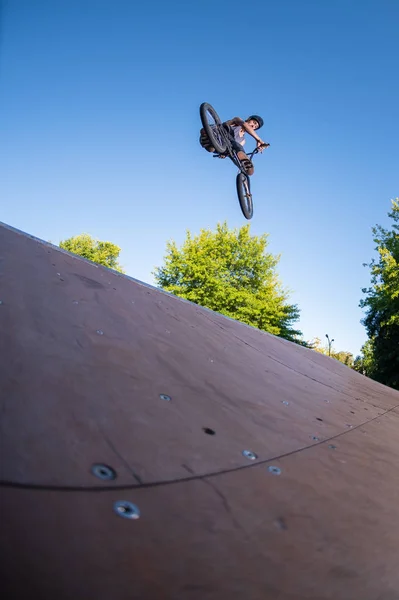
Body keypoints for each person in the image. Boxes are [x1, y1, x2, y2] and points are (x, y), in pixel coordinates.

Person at [199, 114, 269, 175]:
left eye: (255, 127)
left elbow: (233, 152)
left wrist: (225, 154)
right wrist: (259, 140)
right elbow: (245, 125)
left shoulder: (243, 140)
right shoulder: (237, 121)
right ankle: (207, 136)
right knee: (228, 134)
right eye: (253, 122)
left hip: (221, 145)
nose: (253, 126)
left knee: (236, 146)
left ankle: (246, 163)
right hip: (217, 133)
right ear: (248, 119)